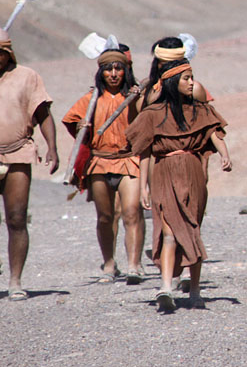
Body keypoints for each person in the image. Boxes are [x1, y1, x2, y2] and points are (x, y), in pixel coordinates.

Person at [127, 58, 231, 311]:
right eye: (187, 78)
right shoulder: (152, 114)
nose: (192, 82)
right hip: (164, 173)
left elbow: (213, 133)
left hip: (193, 173)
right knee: (169, 232)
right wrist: (143, 188)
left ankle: (194, 288)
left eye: (192, 77)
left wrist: (225, 154)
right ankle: (165, 287)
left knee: (192, 230)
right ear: (172, 82)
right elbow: (145, 152)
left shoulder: (199, 110)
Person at [62, 47, 145, 284]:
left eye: (118, 68)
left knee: (131, 212)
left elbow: (148, 120)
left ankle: (134, 264)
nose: (114, 73)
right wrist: (81, 128)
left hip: (129, 160)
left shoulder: (133, 98)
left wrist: (139, 99)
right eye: (108, 69)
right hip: (99, 162)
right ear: (101, 72)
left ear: (125, 71)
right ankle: (109, 264)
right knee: (105, 217)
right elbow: (72, 121)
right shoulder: (91, 99)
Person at [0, 30, 58, 300]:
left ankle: (15, 280)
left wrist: (53, 149)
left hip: (18, 153)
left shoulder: (27, 76)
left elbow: (43, 113)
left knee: (16, 217)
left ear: (8, 53)